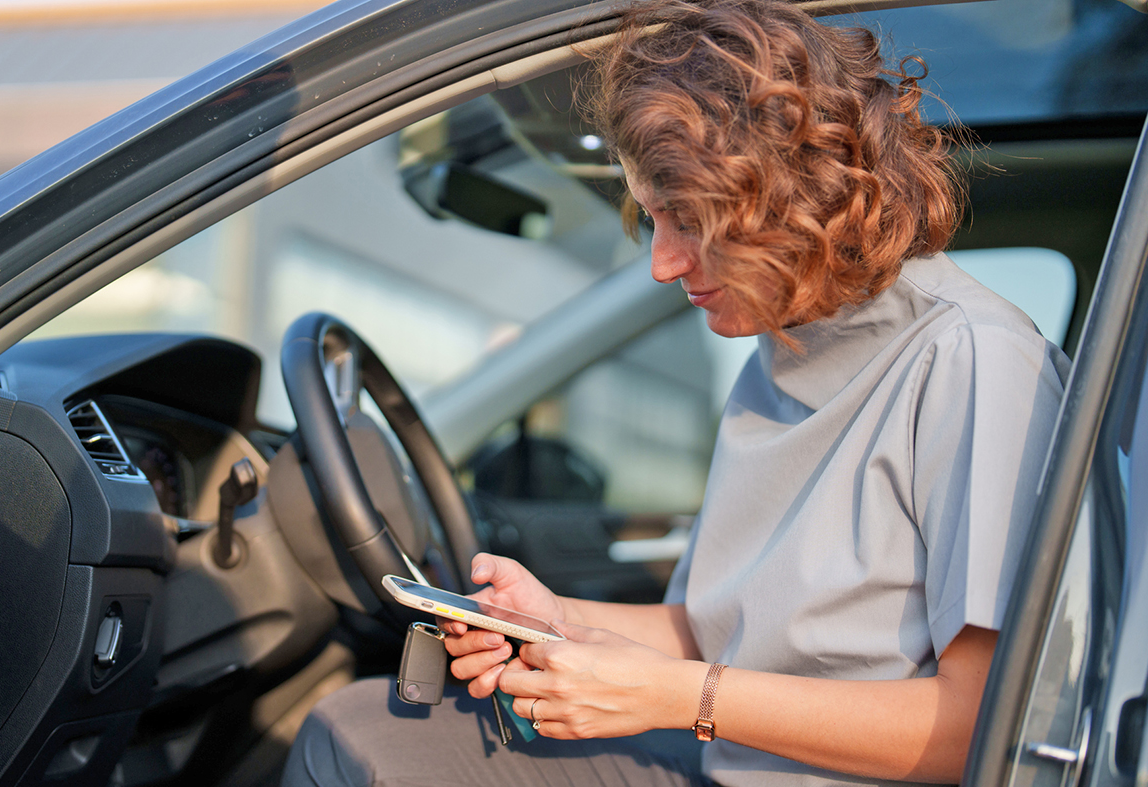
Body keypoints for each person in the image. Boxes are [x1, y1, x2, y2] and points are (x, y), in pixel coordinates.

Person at [281, 0, 1070, 785]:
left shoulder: (974, 363)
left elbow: (983, 727)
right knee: (360, 726)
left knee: (353, 745)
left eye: (688, 220)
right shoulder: (783, 349)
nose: (662, 263)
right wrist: (557, 619)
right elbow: (710, 631)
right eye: (653, 216)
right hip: (727, 759)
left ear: (785, 198)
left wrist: (682, 700)